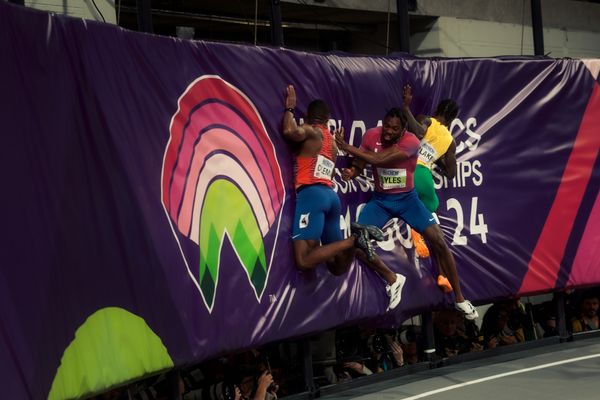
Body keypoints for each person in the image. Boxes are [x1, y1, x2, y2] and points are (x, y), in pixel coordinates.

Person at [335, 107, 478, 320]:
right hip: (381, 201)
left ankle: (460, 299)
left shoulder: (411, 142)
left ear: (403, 131)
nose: (388, 132)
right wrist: (352, 171)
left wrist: (347, 147)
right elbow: (362, 163)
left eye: (394, 129)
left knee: (438, 241)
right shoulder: (372, 135)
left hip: (408, 200)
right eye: (387, 126)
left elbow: (381, 160)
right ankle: (392, 279)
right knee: (356, 243)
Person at [282, 85, 404, 310]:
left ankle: (354, 240)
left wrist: (289, 108)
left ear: (310, 117)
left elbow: (289, 132)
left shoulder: (311, 131)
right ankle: (353, 241)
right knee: (337, 267)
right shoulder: (333, 143)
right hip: (331, 198)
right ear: (329, 120)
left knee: (304, 259)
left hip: (312, 196)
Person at [401, 85, 459, 294]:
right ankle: (442, 274)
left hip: (409, 170)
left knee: (409, 206)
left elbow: (416, 131)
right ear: (452, 120)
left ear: (438, 110)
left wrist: (406, 108)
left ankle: (416, 229)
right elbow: (451, 173)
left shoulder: (427, 120)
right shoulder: (450, 142)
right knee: (434, 221)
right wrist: (440, 162)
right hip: (425, 174)